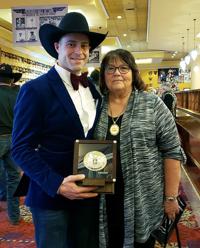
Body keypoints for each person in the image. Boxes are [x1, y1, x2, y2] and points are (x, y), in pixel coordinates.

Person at [12, 12, 107, 248]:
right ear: (57, 46)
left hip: (88, 193)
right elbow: (20, 148)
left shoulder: (91, 87)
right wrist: (57, 184)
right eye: (71, 44)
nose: (79, 51)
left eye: (84, 45)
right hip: (51, 196)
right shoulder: (35, 90)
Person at [94, 49, 186, 248]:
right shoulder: (94, 105)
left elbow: (172, 151)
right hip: (102, 199)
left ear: (133, 73)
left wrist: (170, 197)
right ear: (103, 75)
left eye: (123, 68)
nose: (117, 73)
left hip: (143, 198)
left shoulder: (152, 104)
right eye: (110, 68)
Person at [0, 63, 21, 224]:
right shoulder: (18, 94)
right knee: (14, 177)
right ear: (11, 79)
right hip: (14, 139)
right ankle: (14, 216)